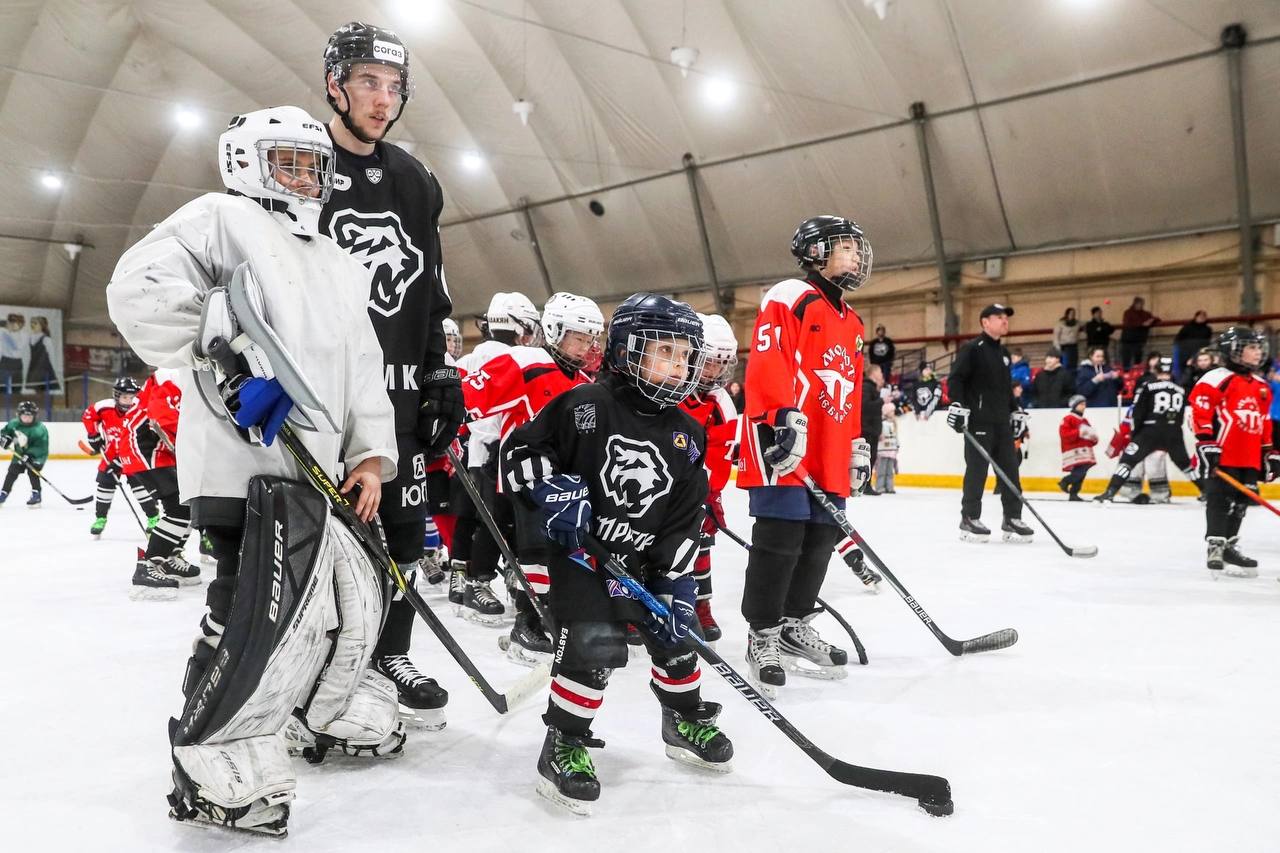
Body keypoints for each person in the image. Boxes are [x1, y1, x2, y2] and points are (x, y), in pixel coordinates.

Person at [108, 105, 401, 835]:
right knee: (251, 608)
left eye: (313, 164)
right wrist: (225, 348)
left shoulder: (334, 256)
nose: (304, 176)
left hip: (318, 470)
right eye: (287, 161)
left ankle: (304, 712)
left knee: (324, 610)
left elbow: (362, 366)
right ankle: (206, 751)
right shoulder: (218, 218)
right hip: (242, 464)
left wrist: (370, 453)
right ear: (246, 162)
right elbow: (137, 289)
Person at [502, 293, 733, 814]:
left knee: (676, 639)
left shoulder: (687, 433)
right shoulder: (585, 406)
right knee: (594, 643)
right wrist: (552, 491)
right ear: (628, 350)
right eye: (666, 351)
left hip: (644, 561)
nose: (680, 364)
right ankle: (563, 740)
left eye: (685, 354)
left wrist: (676, 585)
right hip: (581, 557)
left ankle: (684, 718)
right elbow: (519, 454)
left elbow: (683, 521)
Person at [320, 20, 457, 724]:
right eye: (369, 81)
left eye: (394, 85)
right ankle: (321, 663)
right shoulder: (301, 162)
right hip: (325, 401)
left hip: (398, 396)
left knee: (403, 536)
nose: (383, 98)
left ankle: (390, 651)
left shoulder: (414, 178)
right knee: (325, 544)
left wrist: (440, 373)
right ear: (334, 85)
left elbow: (430, 288)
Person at [736, 215, 872, 696]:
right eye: (846, 247)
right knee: (781, 537)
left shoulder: (852, 322)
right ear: (816, 252)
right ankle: (763, 634)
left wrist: (855, 442)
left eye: (857, 249)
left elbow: (851, 390)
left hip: (828, 447)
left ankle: (794, 624)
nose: (856, 256)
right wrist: (780, 418)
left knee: (820, 538)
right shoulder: (790, 297)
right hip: (784, 439)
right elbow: (769, 360)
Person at [462, 291, 603, 663]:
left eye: (591, 339)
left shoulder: (584, 383)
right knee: (537, 551)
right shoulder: (530, 361)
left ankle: (547, 617)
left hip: (565, 485)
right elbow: (473, 392)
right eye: (579, 337)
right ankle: (530, 624)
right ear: (554, 331)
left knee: (561, 551)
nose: (586, 346)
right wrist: (450, 413)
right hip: (527, 477)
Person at [451, 292, 542, 615]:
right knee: (498, 521)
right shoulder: (510, 357)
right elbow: (488, 410)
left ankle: (487, 580)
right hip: (496, 452)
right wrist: (494, 447)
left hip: (483, 451)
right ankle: (480, 581)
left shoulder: (474, 356)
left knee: (487, 519)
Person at [1188, 327, 1276, 576]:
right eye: (1251, 347)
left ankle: (1229, 545)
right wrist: (1206, 442)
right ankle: (1215, 545)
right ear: (1233, 350)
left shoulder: (1261, 386)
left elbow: (1264, 421)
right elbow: (1201, 410)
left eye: (1258, 347)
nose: (1258, 352)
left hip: (1248, 456)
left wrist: (1269, 452)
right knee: (1219, 498)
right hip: (1222, 453)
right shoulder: (1216, 378)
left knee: (1241, 501)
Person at [945, 303, 1033, 543]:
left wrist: (1016, 411)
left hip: (1001, 423)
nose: (1005, 321)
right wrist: (958, 405)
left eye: (1006, 317)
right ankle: (970, 517)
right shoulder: (972, 349)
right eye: (1000, 317)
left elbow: (1005, 389)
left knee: (1010, 470)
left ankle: (1012, 518)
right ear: (985, 322)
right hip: (978, 422)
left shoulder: (1003, 354)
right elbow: (956, 379)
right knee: (977, 471)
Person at [679, 313, 741, 642]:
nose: (714, 372)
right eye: (709, 362)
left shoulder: (719, 403)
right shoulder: (668, 388)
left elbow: (718, 460)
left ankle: (700, 606)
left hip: (696, 492)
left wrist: (705, 494)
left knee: (700, 546)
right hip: (655, 486)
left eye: (721, 364)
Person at [1094, 358, 1199, 504]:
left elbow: (1138, 412)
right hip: (1173, 431)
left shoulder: (1148, 386)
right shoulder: (1181, 390)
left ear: (1156, 371)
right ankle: (1206, 491)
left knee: (1127, 460)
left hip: (1150, 430)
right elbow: (1180, 415)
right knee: (1185, 464)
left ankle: (1110, 492)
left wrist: (1135, 434)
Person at [82, 377, 160, 536]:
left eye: (133, 397)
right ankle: (100, 518)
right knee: (104, 486)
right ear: (116, 396)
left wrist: (121, 462)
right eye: (125, 397)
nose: (129, 401)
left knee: (141, 489)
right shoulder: (104, 407)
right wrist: (93, 435)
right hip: (110, 455)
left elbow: (140, 441)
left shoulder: (141, 411)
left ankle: (153, 517)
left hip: (133, 457)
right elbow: (89, 415)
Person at [0, 400, 47, 506]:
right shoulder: (13, 424)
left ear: (35, 416)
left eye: (30, 416)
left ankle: (36, 494)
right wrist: (5, 439)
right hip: (19, 455)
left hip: (37, 457)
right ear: (19, 415)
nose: (27, 418)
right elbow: (5, 433)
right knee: (12, 472)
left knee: (33, 472)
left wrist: (30, 455)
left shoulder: (39, 429)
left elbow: (41, 447)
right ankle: (3, 493)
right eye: (24, 416)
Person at [1057, 395, 1097, 501]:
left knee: (1081, 472)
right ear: (1074, 405)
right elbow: (1064, 434)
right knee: (1080, 471)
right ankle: (1065, 481)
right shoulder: (1068, 419)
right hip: (1074, 450)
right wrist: (1079, 432)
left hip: (1084, 450)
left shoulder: (1084, 420)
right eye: (1081, 404)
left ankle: (1073, 493)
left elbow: (1089, 434)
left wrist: (1093, 438)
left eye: (1084, 404)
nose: (1084, 406)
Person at [860, 364, 884, 495]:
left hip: (872, 430)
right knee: (867, 458)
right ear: (873, 373)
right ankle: (865, 485)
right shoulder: (866, 387)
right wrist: (881, 401)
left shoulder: (872, 388)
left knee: (871, 458)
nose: (882, 374)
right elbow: (865, 407)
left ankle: (866, 484)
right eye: (880, 371)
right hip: (867, 429)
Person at [1119, 297, 1160, 370]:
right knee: (1127, 360)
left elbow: (1157, 319)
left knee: (1137, 360)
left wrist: (1151, 321)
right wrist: (1142, 324)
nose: (1140, 305)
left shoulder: (1145, 314)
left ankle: (1136, 374)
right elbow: (1127, 324)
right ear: (1135, 304)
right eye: (1139, 304)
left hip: (1138, 340)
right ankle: (1126, 375)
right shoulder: (1128, 313)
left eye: (1141, 304)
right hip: (1128, 340)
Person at [1173, 310, 1213, 381]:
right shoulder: (1187, 327)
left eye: (1203, 317)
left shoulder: (1207, 329)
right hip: (1186, 353)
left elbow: (1207, 342)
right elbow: (1179, 339)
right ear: (1196, 317)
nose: (1201, 318)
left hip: (1200, 352)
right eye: (1200, 316)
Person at [25, 316, 58, 393]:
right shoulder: (30, 338)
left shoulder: (46, 339)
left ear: (41, 325)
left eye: (35, 323)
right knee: (34, 390)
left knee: (46, 390)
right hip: (33, 367)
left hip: (44, 369)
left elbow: (52, 356)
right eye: (31, 323)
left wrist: (55, 370)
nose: (32, 325)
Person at [876, 401, 899, 494]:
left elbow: (896, 436)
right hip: (883, 450)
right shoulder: (882, 423)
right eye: (891, 411)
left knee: (890, 471)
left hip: (892, 450)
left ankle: (889, 487)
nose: (893, 413)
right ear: (886, 412)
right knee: (881, 470)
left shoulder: (894, 424)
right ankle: (880, 487)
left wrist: (897, 445)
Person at [0, 313, 26, 393]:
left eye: (16, 322)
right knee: (2, 387)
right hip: (5, 361)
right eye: (11, 322)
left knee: (17, 387)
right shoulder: (3, 332)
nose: (13, 325)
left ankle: (15, 403)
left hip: (17, 362)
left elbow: (16, 346)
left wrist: (8, 332)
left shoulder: (24, 335)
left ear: (21, 324)